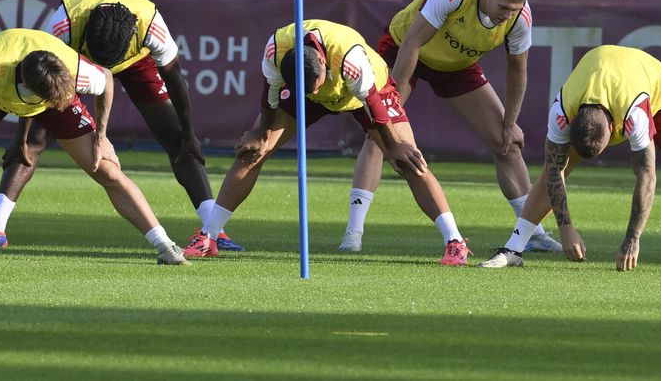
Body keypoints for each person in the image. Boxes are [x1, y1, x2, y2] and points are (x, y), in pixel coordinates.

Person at [0, 0, 243, 253]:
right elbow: (37, 83)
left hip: (136, 63)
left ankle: (213, 229)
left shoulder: (151, 27)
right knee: (34, 139)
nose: (106, 68)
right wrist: (20, 137)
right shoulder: (64, 24)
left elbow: (175, 80)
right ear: (86, 34)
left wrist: (190, 133)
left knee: (177, 137)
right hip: (74, 65)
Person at [183, 19, 472, 265]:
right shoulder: (275, 51)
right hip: (308, 89)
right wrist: (261, 134)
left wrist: (393, 147)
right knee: (251, 154)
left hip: (369, 93)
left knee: (409, 160)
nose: (313, 92)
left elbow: (374, 106)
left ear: (322, 63)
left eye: (316, 85)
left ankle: (455, 242)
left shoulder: (351, 58)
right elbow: (270, 98)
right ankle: (208, 237)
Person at [0, 28, 187, 265]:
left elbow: (107, 80)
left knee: (106, 169)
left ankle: (165, 245)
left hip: (59, 98)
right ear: (26, 86)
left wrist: (102, 137)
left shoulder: (73, 74)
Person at [337, 0, 561, 254]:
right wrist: (390, 105)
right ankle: (353, 234)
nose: (507, 14)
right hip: (405, 50)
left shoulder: (520, 16)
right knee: (380, 136)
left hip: (457, 65)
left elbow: (518, 69)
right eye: (503, 7)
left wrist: (509, 121)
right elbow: (413, 42)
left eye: (513, 9)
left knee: (508, 143)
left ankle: (532, 232)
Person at [479, 45, 661, 276]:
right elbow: (553, 172)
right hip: (605, 74)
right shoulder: (561, 109)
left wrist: (632, 238)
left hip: (659, 87)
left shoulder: (635, 113)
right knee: (556, 166)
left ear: (615, 129)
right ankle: (514, 248)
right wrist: (566, 228)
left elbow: (647, 177)